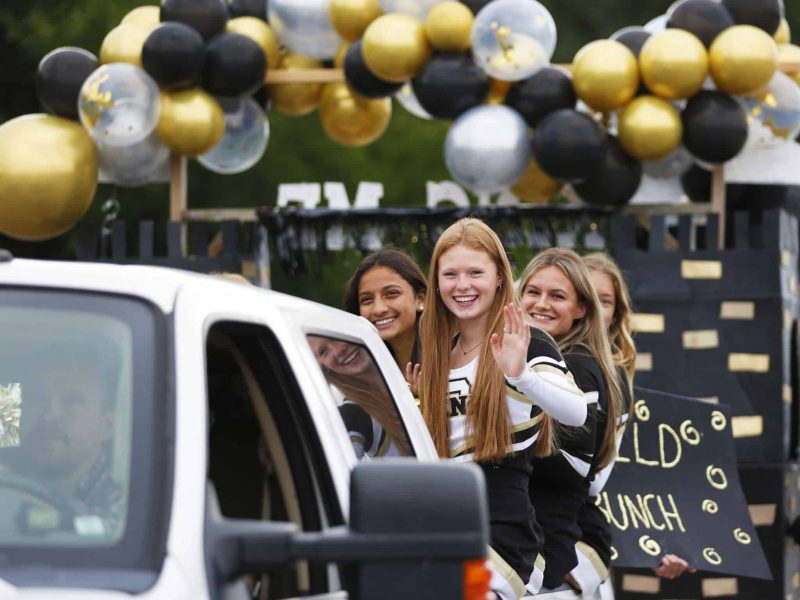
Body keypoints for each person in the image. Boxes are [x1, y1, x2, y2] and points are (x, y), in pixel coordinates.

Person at [414, 218, 587, 600]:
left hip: (499, 526)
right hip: (436, 518)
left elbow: (577, 413)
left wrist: (520, 374)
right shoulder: (436, 351)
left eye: (475, 272)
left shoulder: (524, 339)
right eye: (451, 274)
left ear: (498, 278)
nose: (462, 285)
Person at [576, 252, 694, 598]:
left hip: (583, 565)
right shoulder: (518, 371)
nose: (595, 308)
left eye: (606, 300)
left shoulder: (620, 388)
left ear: (616, 314)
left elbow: (619, 481)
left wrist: (661, 541)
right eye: (586, 296)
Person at [518, 248, 625, 597]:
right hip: (540, 561)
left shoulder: (576, 366)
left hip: (544, 563)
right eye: (533, 292)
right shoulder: (540, 357)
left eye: (557, 296)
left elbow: (574, 470)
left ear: (581, 308)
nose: (541, 303)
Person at [11, 350, 123, 535]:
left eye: (72, 401)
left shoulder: (126, 513)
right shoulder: (5, 485)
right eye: (37, 399)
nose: (49, 415)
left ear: (107, 426)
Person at [307, 335, 413, 458]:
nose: (338, 351)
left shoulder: (410, 369)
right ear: (323, 366)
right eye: (323, 352)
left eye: (334, 337)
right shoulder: (351, 414)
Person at [343, 248, 427, 371]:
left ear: (420, 299)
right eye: (367, 299)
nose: (378, 309)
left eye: (392, 293)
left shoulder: (453, 360)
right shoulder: (366, 374)